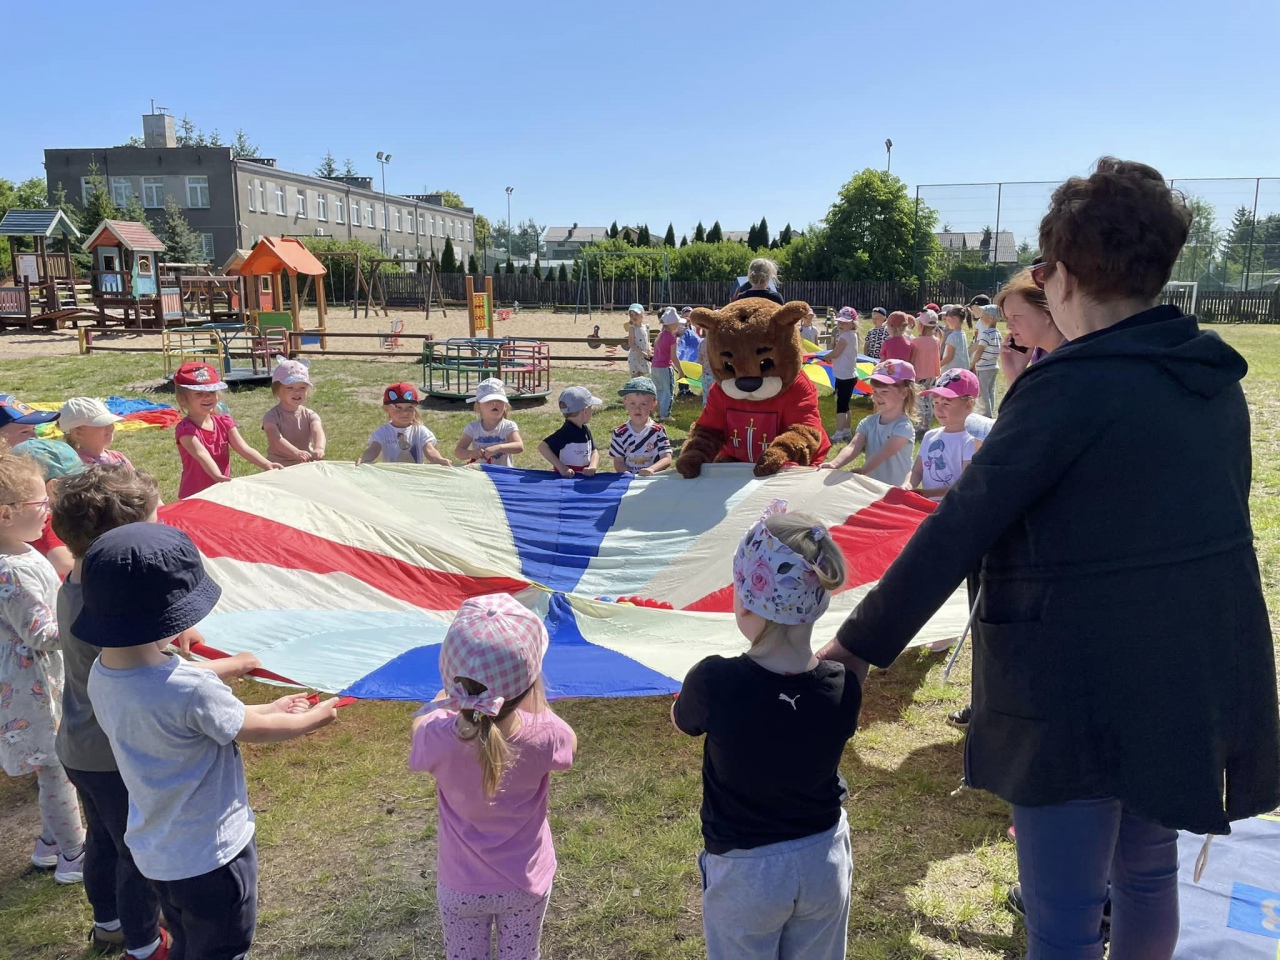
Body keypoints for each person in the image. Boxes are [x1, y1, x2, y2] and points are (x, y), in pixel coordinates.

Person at [819, 158, 1280, 960]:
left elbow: (960, 525)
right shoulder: (1214, 382)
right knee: (1145, 873)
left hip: (1070, 687)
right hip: (1184, 676)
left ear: (1061, 274)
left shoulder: (1066, 388)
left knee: (1064, 914)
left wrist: (856, 648)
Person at [82, 523, 340, 960]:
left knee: (185, 936)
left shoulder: (102, 675)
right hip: (213, 856)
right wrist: (312, 720)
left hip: (156, 851)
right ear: (168, 616)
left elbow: (190, 710)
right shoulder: (189, 688)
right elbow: (246, 728)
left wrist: (269, 705)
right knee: (222, 946)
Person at [51, 465, 261, 957]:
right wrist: (228, 665)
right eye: (154, 523)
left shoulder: (81, 586)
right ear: (124, 547)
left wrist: (165, 625)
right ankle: (143, 945)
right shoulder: (97, 608)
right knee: (136, 857)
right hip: (116, 753)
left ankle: (108, 925)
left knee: (102, 841)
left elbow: (132, 643)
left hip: (78, 745)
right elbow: (153, 684)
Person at [673, 502, 858, 960]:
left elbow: (683, 720)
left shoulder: (714, 680)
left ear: (748, 602)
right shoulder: (842, 686)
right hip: (824, 857)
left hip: (746, 871)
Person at [410, 593, 576, 960]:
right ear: (530, 682)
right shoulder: (547, 734)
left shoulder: (434, 735)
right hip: (526, 882)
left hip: (461, 885)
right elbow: (568, 748)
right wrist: (535, 702)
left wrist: (448, 697)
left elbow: (421, 725)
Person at [0, 443, 86, 885]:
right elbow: (39, 634)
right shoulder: (9, 568)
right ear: (6, 514)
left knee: (56, 767)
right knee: (58, 769)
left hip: (44, 679)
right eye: (41, 503)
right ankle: (74, 852)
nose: (49, 510)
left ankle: (51, 844)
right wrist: (85, 625)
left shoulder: (23, 551)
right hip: (33, 688)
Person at [173, 362, 281, 498]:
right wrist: (217, 476)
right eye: (199, 393)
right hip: (196, 494)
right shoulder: (186, 430)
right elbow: (201, 454)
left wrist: (267, 464)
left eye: (211, 392)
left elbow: (243, 448)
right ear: (182, 400)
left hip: (221, 489)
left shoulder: (224, 422)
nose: (207, 397)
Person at [820, 360, 917, 486]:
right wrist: (835, 464)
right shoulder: (868, 422)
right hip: (873, 489)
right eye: (875, 391)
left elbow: (885, 452)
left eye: (884, 392)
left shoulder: (903, 427)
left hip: (895, 491)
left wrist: (865, 469)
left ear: (904, 393)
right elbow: (853, 447)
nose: (877, 396)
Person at [11, 438, 83, 579]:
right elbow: (64, 563)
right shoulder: (46, 520)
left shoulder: (16, 518)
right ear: (53, 486)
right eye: (76, 483)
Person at [907, 368, 979, 501]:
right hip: (927, 505)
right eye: (936, 403)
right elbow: (917, 471)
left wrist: (928, 493)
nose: (938, 409)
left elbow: (965, 484)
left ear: (969, 405)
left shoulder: (971, 441)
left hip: (953, 509)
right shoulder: (930, 436)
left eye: (946, 403)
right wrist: (908, 485)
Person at [997, 268, 1067, 389]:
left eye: (1016, 316)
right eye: (1007, 318)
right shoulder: (1041, 356)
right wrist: (1015, 374)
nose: (1009, 325)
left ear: (1047, 312)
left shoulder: (1068, 363)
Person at [357, 383, 451, 466]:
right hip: (392, 477)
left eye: (410, 407)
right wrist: (365, 459)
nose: (405, 413)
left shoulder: (420, 430)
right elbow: (373, 449)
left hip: (415, 478)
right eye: (398, 407)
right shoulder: (383, 432)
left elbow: (430, 450)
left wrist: (439, 459)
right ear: (386, 408)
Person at [261, 359, 326, 466]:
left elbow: (317, 431)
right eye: (290, 387)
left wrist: (319, 448)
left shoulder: (310, 415)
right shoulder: (271, 416)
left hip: (304, 463)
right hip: (279, 465)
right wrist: (296, 452)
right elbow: (276, 440)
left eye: (302, 387)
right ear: (277, 391)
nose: (297, 392)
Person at [609, 377, 673, 476]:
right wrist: (626, 474)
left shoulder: (658, 431)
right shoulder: (619, 432)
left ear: (653, 405)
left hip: (652, 480)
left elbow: (666, 458)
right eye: (632, 403)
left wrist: (651, 469)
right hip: (630, 482)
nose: (637, 408)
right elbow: (618, 461)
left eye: (643, 404)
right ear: (625, 403)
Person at [455, 378, 524, 468]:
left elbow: (519, 446)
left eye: (499, 400)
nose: (494, 403)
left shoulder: (509, 426)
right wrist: (470, 453)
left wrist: (499, 448)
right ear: (478, 406)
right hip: (479, 474)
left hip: (503, 474)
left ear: (505, 406)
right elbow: (458, 451)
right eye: (489, 401)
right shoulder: (472, 427)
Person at [538, 387, 603, 477]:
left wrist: (593, 466)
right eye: (591, 408)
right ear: (585, 411)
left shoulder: (585, 430)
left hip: (583, 480)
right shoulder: (565, 433)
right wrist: (562, 468)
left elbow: (594, 451)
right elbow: (543, 447)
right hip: (565, 483)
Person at [58, 398, 133, 468]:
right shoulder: (76, 466)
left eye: (110, 422)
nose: (111, 427)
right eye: (102, 424)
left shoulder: (118, 457)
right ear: (78, 433)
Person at [828, 307, 861, 443]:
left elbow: (836, 352)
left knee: (841, 406)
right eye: (839, 322)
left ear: (853, 323)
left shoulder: (846, 337)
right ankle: (847, 431)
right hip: (848, 375)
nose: (841, 325)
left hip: (845, 376)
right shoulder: (850, 335)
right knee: (846, 405)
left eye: (845, 323)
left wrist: (826, 357)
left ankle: (838, 434)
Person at [908, 311, 942, 435]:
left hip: (919, 375)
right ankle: (926, 425)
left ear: (921, 325)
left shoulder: (915, 342)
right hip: (932, 375)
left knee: (919, 402)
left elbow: (912, 360)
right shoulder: (936, 341)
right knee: (929, 400)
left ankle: (917, 427)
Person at [969, 305, 1003, 417]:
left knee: (983, 393)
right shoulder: (997, 332)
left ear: (991, 318)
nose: (981, 317)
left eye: (983, 315)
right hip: (993, 366)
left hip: (983, 367)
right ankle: (991, 411)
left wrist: (973, 364)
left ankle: (987, 414)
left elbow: (979, 351)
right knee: (990, 391)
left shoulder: (986, 334)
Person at [650, 308, 681, 421]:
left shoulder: (660, 335)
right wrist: (681, 371)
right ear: (673, 324)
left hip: (655, 367)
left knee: (658, 390)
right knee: (668, 391)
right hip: (664, 367)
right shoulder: (672, 338)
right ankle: (665, 415)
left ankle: (652, 410)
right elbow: (673, 357)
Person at [939, 305, 971, 372]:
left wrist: (937, 366)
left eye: (948, 319)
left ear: (955, 318)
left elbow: (949, 357)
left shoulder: (952, 336)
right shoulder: (962, 333)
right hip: (962, 369)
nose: (946, 322)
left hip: (953, 372)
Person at [626, 304, 652, 375]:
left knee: (642, 377)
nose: (634, 316)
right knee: (635, 378)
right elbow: (631, 344)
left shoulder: (646, 327)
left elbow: (648, 340)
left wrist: (649, 350)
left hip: (644, 357)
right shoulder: (632, 328)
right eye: (631, 315)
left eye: (636, 314)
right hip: (635, 356)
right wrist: (642, 352)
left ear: (642, 314)